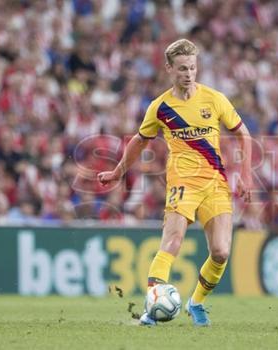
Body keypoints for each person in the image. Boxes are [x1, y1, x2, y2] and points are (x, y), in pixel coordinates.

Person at [98, 39, 252, 326]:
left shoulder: (215, 99)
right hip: (182, 184)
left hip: (215, 184)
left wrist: (245, 173)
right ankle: (151, 308)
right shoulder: (160, 107)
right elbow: (139, 141)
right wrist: (118, 172)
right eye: (182, 68)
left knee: (220, 252)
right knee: (173, 241)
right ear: (169, 69)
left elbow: (244, 134)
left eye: (192, 67)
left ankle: (197, 303)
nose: (188, 73)